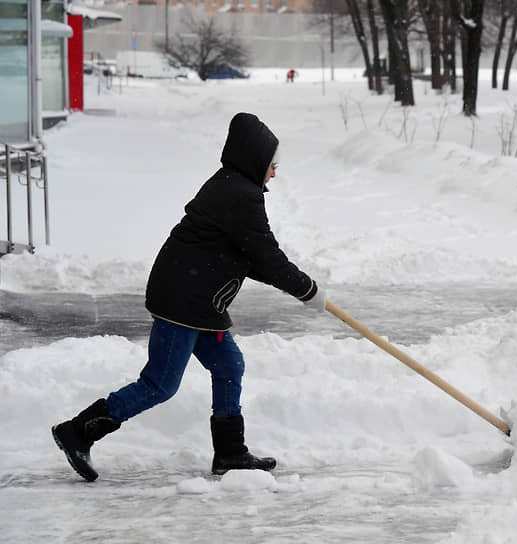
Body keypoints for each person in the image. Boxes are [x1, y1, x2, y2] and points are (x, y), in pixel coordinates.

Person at [52, 112, 327, 482]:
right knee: (160, 384)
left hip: (198, 301)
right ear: (256, 161)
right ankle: (79, 431)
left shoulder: (233, 187)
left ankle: (230, 453)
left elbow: (250, 256)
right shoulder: (240, 195)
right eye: (272, 165)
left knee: (229, 367)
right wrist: (307, 290)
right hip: (183, 300)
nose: (275, 173)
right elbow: (266, 256)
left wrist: (304, 291)